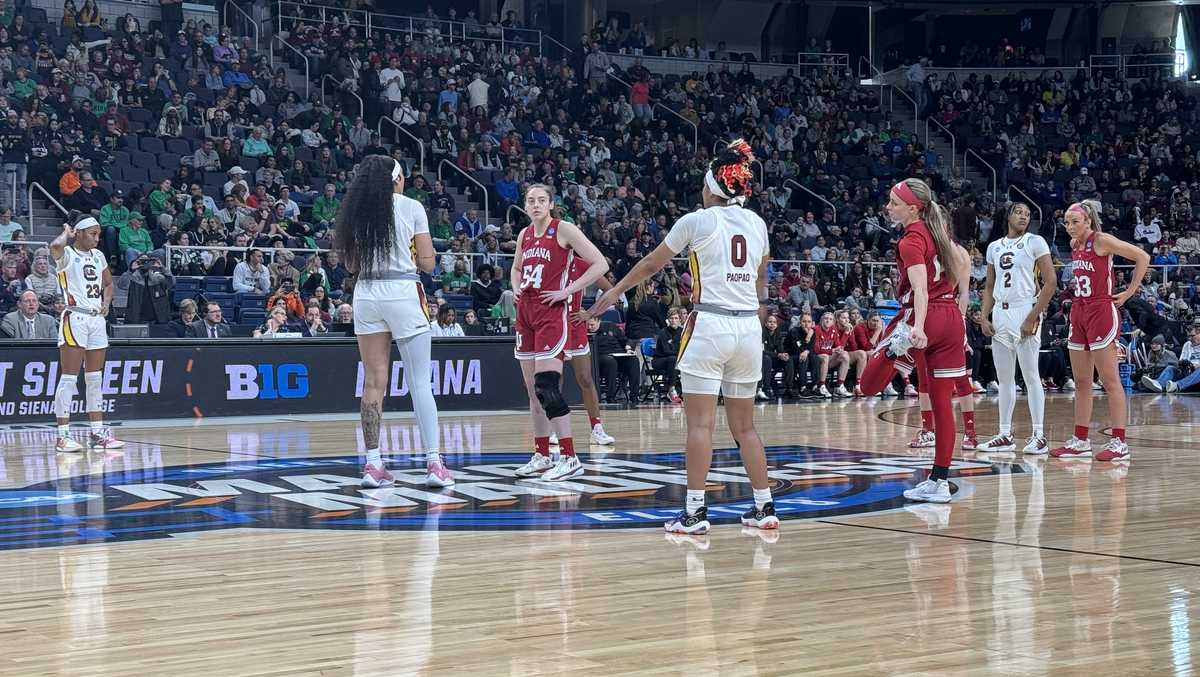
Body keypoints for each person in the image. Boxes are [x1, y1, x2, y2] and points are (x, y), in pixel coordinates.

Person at [585, 139, 778, 534]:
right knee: (746, 428)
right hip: (747, 327)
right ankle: (764, 507)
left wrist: (614, 292)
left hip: (710, 324)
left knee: (700, 426)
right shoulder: (757, 223)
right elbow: (761, 278)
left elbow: (652, 262)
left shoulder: (697, 220)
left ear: (711, 186)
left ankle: (694, 513)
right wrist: (755, 313)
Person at [334, 155, 452, 488]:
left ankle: (373, 464)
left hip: (367, 292)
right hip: (402, 289)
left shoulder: (357, 211)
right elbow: (428, 264)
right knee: (419, 382)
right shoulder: (411, 207)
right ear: (397, 179)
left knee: (373, 383)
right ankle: (434, 463)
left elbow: (353, 264)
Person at [858, 179, 968, 503]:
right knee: (942, 404)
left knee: (867, 385)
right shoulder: (940, 232)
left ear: (912, 207)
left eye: (893, 203)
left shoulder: (911, 240)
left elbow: (920, 289)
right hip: (950, 317)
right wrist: (959, 307)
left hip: (923, 318)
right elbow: (963, 264)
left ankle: (896, 348)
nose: (888, 208)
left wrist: (917, 326)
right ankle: (940, 481)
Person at [510, 184, 609, 482]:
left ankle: (569, 456)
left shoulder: (563, 229)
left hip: (551, 312)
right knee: (532, 392)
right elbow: (516, 269)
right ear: (525, 206)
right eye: (531, 200)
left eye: (541, 200)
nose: (536, 204)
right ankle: (542, 454)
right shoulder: (524, 235)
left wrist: (567, 290)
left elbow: (600, 263)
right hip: (525, 312)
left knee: (547, 387)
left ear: (551, 204)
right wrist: (515, 288)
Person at [1050, 200, 1150, 462]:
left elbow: (1143, 256)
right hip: (1080, 311)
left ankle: (1119, 443)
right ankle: (1080, 440)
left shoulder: (1102, 240)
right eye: (1067, 222)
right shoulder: (1073, 245)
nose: (1070, 227)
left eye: (1075, 222)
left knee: (1110, 381)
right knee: (1082, 382)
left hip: (1101, 311)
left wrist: (1129, 292)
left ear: (1088, 222)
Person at [978, 202, 1056, 454]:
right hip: (1001, 311)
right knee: (1004, 379)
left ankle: (1039, 435)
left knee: (1031, 376)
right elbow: (989, 286)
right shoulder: (994, 247)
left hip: (1025, 308)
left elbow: (1051, 281)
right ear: (1008, 215)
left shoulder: (1035, 241)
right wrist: (984, 316)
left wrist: (1033, 315)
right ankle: (1004, 434)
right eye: (1018, 212)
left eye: (1027, 214)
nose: (1023, 216)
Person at [48, 215, 123, 452]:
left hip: (96, 319)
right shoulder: (67, 254)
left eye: (99, 234)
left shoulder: (98, 256)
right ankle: (63, 436)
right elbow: (54, 247)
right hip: (75, 317)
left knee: (95, 379)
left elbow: (109, 284)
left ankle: (97, 433)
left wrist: (107, 302)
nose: (97, 238)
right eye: (92, 233)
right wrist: (66, 234)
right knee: (69, 378)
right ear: (78, 233)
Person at [561, 254, 616, 445]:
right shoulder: (546, 259)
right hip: (552, 324)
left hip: (575, 325)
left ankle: (597, 429)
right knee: (553, 380)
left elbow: (610, 290)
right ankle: (555, 428)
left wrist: (591, 312)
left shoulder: (581, 264)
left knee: (585, 378)